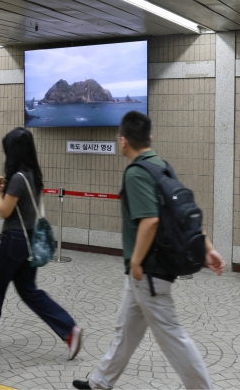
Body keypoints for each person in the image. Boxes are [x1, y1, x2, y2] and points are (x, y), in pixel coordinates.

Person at [73, 111, 225, 390]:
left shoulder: (136, 173)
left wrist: (136, 262)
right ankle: (100, 382)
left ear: (122, 142)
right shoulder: (162, 166)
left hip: (149, 271)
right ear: (150, 138)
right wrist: (208, 248)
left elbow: (151, 220)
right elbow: (182, 212)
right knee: (126, 330)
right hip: (148, 271)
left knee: (172, 335)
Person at [0, 127, 82, 358]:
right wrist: (2, 186)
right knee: (29, 291)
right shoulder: (32, 175)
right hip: (29, 241)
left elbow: (3, 210)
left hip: (13, 242)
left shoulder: (18, 178)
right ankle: (69, 329)